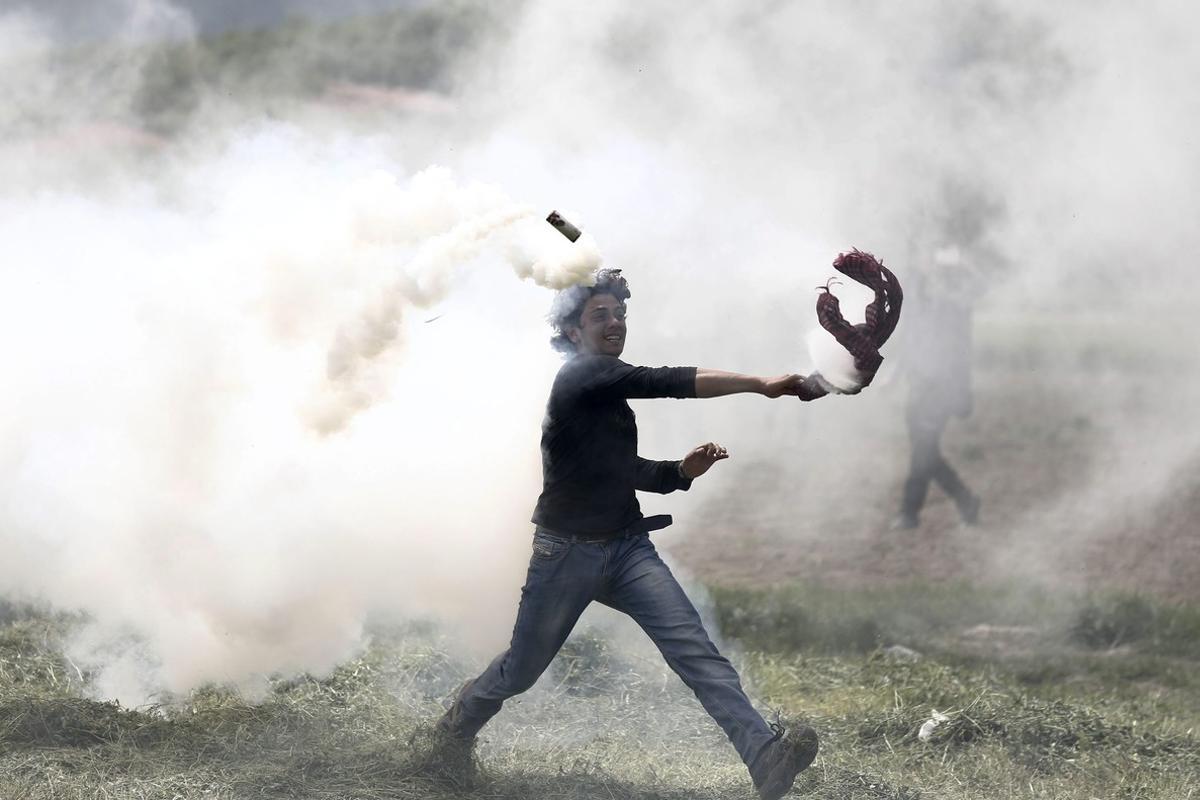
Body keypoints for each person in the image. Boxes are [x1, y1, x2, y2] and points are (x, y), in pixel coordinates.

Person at [433, 269, 821, 800]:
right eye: (600, 316)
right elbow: (664, 380)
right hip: (564, 556)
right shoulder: (580, 380)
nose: (615, 324)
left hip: (626, 550)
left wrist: (680, 473)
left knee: (696, 652)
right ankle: (454, 728)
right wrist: (760, 384)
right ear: (572, 332)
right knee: (518, 673)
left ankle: (765, 760)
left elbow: (622, 471)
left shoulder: (606, 397)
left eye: (620, 315)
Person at [894, 268, 980, 529]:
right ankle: (965, 501)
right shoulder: (914, 314)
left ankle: (910, 513)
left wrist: (960, 391)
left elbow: (958, 354)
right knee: (925, 453)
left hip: (938, 394)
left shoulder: (949, 313)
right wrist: (893, 378)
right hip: (918, 392)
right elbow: (908, 349)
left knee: (924, 453)